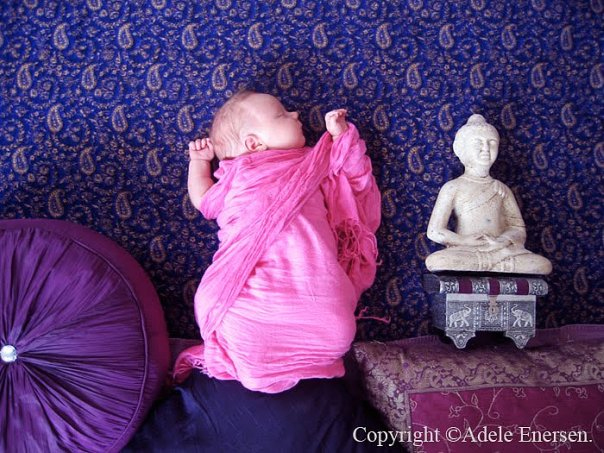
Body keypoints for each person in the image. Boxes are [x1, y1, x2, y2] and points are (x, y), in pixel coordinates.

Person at [175, 91, 382, 394]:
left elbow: (353, 178)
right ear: (254, 143)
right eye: (283, 115)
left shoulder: (314, 163)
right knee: (241, 324)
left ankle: (294, 353)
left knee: (336, 326)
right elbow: (204, 200)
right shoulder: (237, 174)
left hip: (315, 287)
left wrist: (342, 138)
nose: (296, 114)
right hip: (249, 290)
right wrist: (198, 163)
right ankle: (258, 355)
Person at [425, 113, 552, 275]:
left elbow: (517, 228)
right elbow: (434, 231)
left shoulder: (502, 189)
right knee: (437, 261)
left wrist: (502, 241)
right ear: (461, 149)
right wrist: (464, 240)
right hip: (467, 250)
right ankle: (492, 265)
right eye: (478, 143)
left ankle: (489, 263)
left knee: (542, 265)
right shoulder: (452, 187)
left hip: (502, 251)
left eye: (491, 143)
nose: (486, 148)